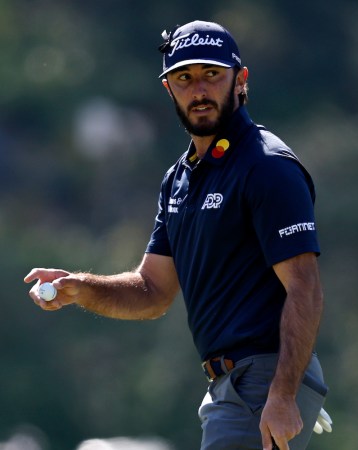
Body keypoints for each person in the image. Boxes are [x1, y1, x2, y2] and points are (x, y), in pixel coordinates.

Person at [25, 20, 331, 450]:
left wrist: (283, 393)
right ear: (169, 89)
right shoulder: (179, 179)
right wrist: (81, 288)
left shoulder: (267, 167)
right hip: (231, 387)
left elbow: (305, 288)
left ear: (240, 81)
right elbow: (152, 291)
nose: (199, 90)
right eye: (185, 78)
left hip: (262, 380)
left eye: (212, 75)